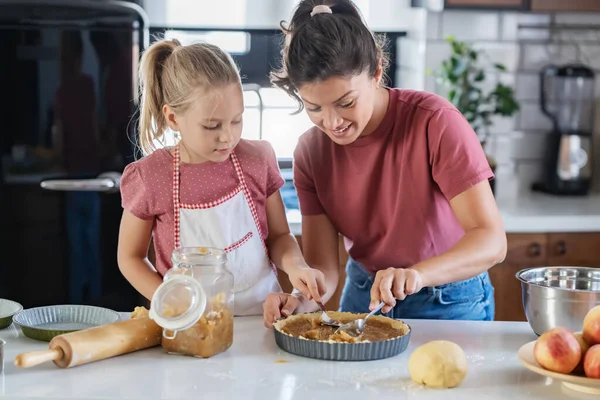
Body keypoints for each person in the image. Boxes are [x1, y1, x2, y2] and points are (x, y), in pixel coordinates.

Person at [263, 0, 507, 326]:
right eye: (314, 108)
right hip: (364, 293)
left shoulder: (434, 123)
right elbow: (324, 271)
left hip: (448, 298)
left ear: (377, 70)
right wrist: (297, 301)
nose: (332, 122)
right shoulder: (310, 153)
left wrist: (416, 275)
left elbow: (491, 241)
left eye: (345, 102)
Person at [117, 38, 325, 318]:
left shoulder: (257, 159)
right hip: (191, 324)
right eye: (212, 125)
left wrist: (296, 266)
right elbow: (130, 257)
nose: (228, 136)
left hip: (260, 319)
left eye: (237, 119)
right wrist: (169, 299)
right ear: (173, 118)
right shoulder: (152, 177)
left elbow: (279, 236)